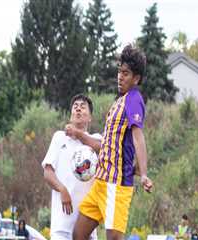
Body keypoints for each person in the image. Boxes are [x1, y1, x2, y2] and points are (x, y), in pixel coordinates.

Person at [69, 45, 153, 240]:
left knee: (114, 238)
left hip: (116, 186)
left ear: (136, 78)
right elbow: (108, 144)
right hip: (100, 182)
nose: (120, 77)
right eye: (119, 72)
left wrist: (144, 173)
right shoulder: (119, 101)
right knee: (78, 235)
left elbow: (138, 137)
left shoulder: (134, 99)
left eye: (126, 73)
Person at [42, 94, 102, 240]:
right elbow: (47, 172)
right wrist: (62, 190)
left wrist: (77, 133)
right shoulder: (59, 137)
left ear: (90, 118)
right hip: (61, 226)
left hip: (86, 228)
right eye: (75, 107)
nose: (78, 109)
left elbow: (102, 149)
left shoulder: (96, 139)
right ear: (71, 115)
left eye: (83, 107)